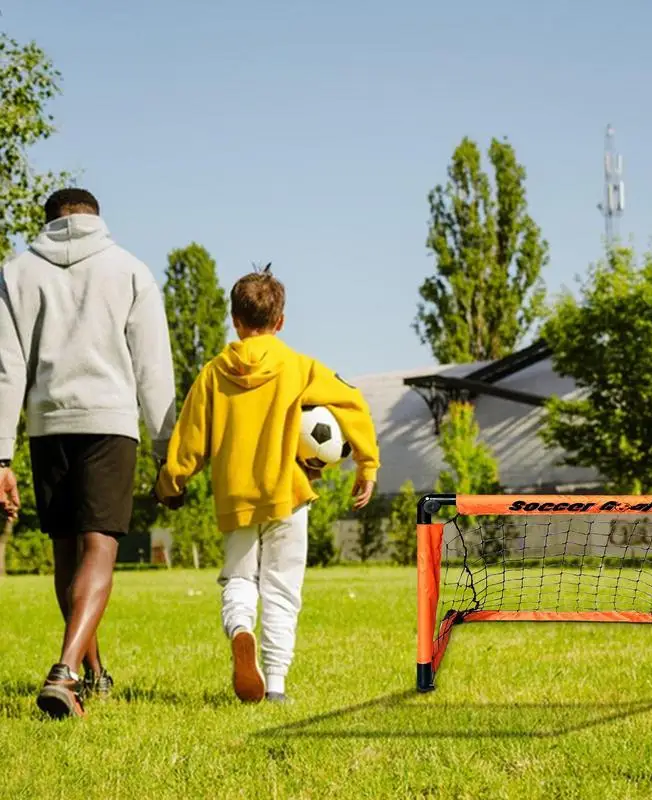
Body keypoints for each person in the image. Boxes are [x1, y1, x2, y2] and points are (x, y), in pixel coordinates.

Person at [154, 267, 379, 703]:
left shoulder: (213, 374)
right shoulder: (299, 366)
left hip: (235, 495)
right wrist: (366, 464)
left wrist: (169, 484)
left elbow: (189, 442)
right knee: (282, 588)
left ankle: (241, 629)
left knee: (239, 578)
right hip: (287, 496)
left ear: (235, 320)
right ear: (280, 322)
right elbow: (352, 403)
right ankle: (275, 683)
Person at [0, 188, 175, 719]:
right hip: (110, 425)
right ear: (97, 219)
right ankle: (66, 670)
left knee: (65, 554)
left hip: (48, 427)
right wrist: (169, 452)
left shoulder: (17, 273)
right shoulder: (130, 271)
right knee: (99, 550)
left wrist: (0, 459)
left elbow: (7, 369)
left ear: (48, 221)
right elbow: (153, 366)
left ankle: (92, 674)